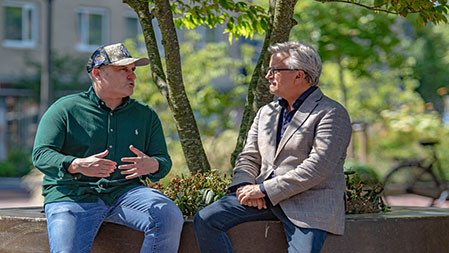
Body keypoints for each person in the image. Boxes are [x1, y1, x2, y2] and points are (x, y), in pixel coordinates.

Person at [194, 41, 352, 253]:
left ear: (299, 75)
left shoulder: (331, 113)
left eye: (275, 70)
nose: (268, 75)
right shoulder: (265, 113)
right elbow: (248, 156)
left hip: (308, 203)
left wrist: (263, 190)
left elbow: (318, 167)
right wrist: (245, 186)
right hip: (263, 199)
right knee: (206, 219)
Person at [32, 43, 184, 253]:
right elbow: (41, 155)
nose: (132, 76)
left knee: (168, 215)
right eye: (123, 70)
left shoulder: (145, 115)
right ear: (97, 73)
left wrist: (153, 164)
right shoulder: (65, 109)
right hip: (73, 194)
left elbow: (163, 161)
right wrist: (76, 164)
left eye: (133, 70)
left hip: (126, 193)